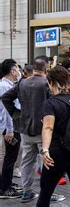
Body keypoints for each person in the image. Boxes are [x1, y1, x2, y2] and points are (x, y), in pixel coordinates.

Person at [1, 57, 65, 203]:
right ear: (46, 68)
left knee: (27, 161)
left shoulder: (22, 82)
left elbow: (5, 98)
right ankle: (46, 194)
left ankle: (27, 191)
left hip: (25, 128)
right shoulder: (47, 84)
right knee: (47, 161)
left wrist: (17, 115)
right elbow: (55, 104)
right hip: (44, 129)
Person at [37, 66, 70, 207]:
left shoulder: (50, 103)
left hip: (57, 153)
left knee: (45, 194)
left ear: (51, 83)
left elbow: (48, 127)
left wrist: (45, 150)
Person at [0, 59, 22, 198]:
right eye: (17, 69)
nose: (19, 71)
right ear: (13, 71)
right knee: (10, 157)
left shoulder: (9, 84)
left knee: (11, 156)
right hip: (10, 127)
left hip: (12, 125)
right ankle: (4, 188)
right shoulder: (4, 86)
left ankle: (7, 182)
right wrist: (9, 129)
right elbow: (5, 110)